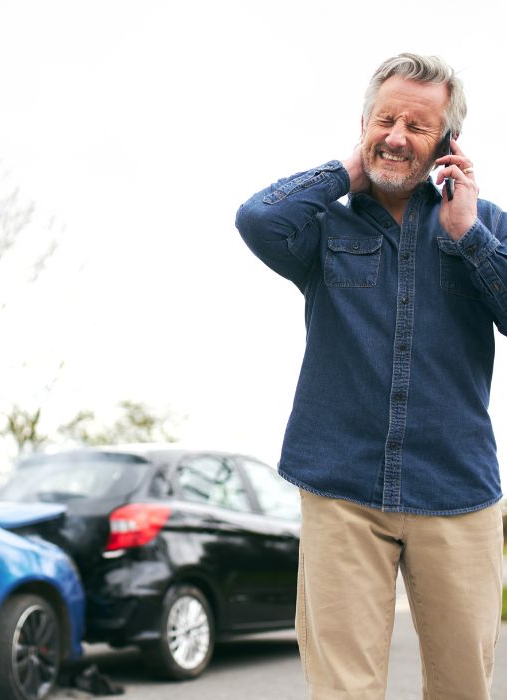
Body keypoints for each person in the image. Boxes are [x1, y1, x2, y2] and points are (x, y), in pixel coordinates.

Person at [235, 53, 505, 699]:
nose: (396, 136)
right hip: (340, 487)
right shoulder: (321, 224)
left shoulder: (483, 223)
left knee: (463, 686)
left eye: (417, 125)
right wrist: (346, 171)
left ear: (446, 141)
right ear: (362, 124)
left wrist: (467, 233)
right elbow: (257, 219)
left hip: (456, 491)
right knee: (343, 690)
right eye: (384, 120)